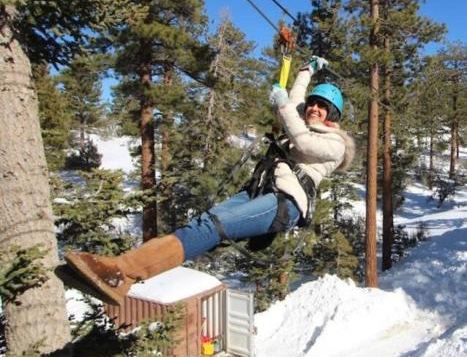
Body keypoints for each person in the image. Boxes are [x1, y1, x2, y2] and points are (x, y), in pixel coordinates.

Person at [64, 56, 355, 305]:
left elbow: (301, 141)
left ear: (333, 116)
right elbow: (293, 105)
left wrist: (282, 107)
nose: (314, 108)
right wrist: (306, 71)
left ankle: (122, 272)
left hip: (284, 203)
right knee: (203, 222)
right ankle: (119, 272)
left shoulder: (336, 145)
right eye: (313, 104)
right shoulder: (300, 122)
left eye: (322, 106)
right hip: (261, 190)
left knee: (214, 226)